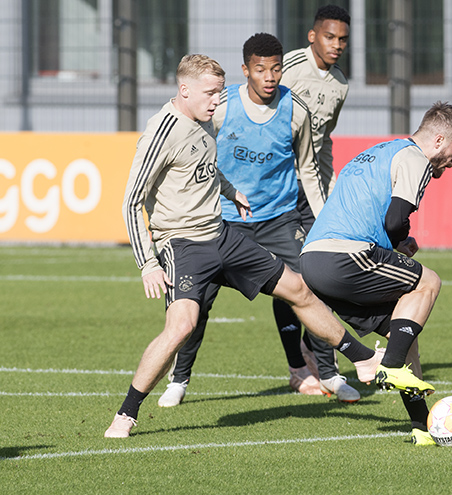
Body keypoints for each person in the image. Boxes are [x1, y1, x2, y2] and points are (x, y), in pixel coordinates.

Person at [107, 53, 384, 439]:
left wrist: (229, 188)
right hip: (182, 245)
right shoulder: (161, 132)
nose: (216, 100)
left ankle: (363, 359)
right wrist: (148, 264)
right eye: (209, 93)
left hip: (221, 234)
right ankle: (126, 413)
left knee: (299, 288)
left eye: (220, 92)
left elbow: (201, 165)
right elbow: (132, 200)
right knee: (182, 325)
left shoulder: (203, 120)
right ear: (183, 90)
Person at [156, 31, 360, 407]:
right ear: (246, 70)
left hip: (279, 219)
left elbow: (309, 171)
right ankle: (179, 379)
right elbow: (199, 158)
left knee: (310, 288)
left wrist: (324, 220)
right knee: (197, 300)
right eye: (261, 69)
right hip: (224, 222)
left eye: (276, 69)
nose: (270, 77)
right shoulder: (223, 107)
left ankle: (329, 374)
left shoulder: (296, 109)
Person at [300, 102, 452, 446]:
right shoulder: (415, 158)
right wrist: (401, 239)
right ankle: (391, 364)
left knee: (405, 332)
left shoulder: (379, 151)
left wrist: (399, 241)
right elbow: (394, 220)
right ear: (439, 140)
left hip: (312, 259)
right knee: (429, 282)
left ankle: (421, 428)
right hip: (346, 255)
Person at [275, 4, 353, 397]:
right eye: (329, 37)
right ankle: (180, 376)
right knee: (285, 277)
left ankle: (316, 362)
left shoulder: (339, 84)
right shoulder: (286, 67)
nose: (337, 45)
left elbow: (320, 144)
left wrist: (328, 189)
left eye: (342, 39)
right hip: (270, 190)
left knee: (312, 273)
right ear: (312, 36)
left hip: (311, 191)